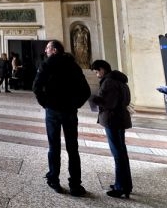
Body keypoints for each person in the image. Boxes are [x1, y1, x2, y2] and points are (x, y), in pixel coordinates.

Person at [32, 40, 91, 196]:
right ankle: (75, 185)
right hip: (70, 111)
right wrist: (74, 104)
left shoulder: (47, 65)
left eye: (48, 48)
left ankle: (54, 179)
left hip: (53, 110)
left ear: (55, 50)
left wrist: (46, 103)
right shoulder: (73, 66)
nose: (46, 51)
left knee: (54, 146)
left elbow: (36, 87)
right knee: (73, 148)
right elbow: (86, 91)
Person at [90, 60, 133, 199]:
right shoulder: (120, 80)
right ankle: (125, 184)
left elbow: (108, 102)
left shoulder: (109, 82)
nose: (97, 75)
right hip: (121, 117)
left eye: (97, 72)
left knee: (118, 154)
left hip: (112, 119)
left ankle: (120, 186)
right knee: (122, 152)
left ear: (102, 69)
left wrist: (94, 99)